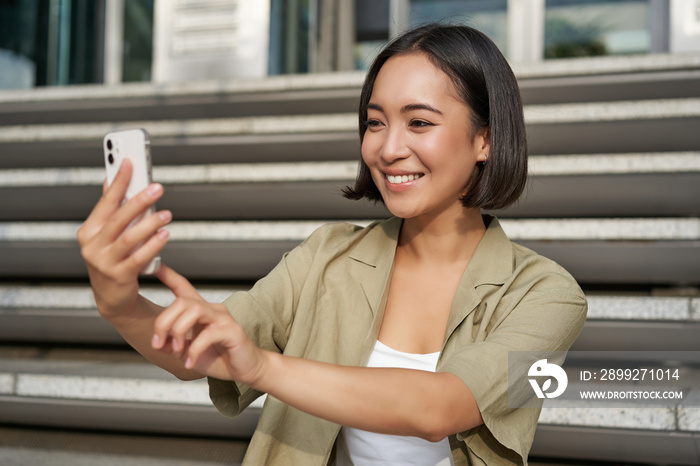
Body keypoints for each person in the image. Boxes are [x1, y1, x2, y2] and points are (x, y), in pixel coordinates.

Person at [78, 23, 587, 466]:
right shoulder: (326, 255)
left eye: (420, 122)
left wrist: (262, 366)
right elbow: (204, 356)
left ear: (486, 140)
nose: (387, 149)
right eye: (375, 121)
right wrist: (118, 301)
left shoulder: (549, 297)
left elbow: (440, 409)